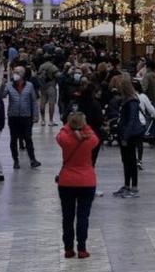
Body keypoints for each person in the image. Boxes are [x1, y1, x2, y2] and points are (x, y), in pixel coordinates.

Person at [56, 113, 99, 258]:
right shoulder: (90, 139)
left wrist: (70, 125)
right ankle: (82, 248)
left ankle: (68, 248)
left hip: (67, 181)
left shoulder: (64, 138)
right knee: (83, 217)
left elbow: (61, 133)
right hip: (87, 181)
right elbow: (94, 136)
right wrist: (84, 126)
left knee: (67, 217)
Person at [115, 79, 155, 198]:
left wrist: (125, 136)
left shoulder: (131, 101)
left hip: (131, 135)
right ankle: (127, 185)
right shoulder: (127, 100)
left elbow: (131, 120)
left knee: (131, 161)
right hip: (126, 134)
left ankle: (133, 186)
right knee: (126, 160)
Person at [5, 67, 40, 168]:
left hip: (26, 116)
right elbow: (1, 95)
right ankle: (15, 160)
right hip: (13, 116)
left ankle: (32, 159)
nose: (14, 74)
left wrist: (35, 115)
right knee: (13, 139)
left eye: (17, 72)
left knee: (28, 138)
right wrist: (2, 85)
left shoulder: (29, 86)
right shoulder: (9, 85)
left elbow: (33, 101)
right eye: (14, 72)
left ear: (22, 74)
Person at [77, 82, 106, 166]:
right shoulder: (95, 104)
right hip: (93, 133)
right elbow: (99, 120)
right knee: (92, 159)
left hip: (80, 133)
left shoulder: (78, 102)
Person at [38, 58, 60, 126]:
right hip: (51, 86)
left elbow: (39, 75)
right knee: (51, 103)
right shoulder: (53, 66)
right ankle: (51, 120)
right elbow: (58, 75)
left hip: (43, 86)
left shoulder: (41, 66)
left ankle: (42, 120)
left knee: (42, 102)